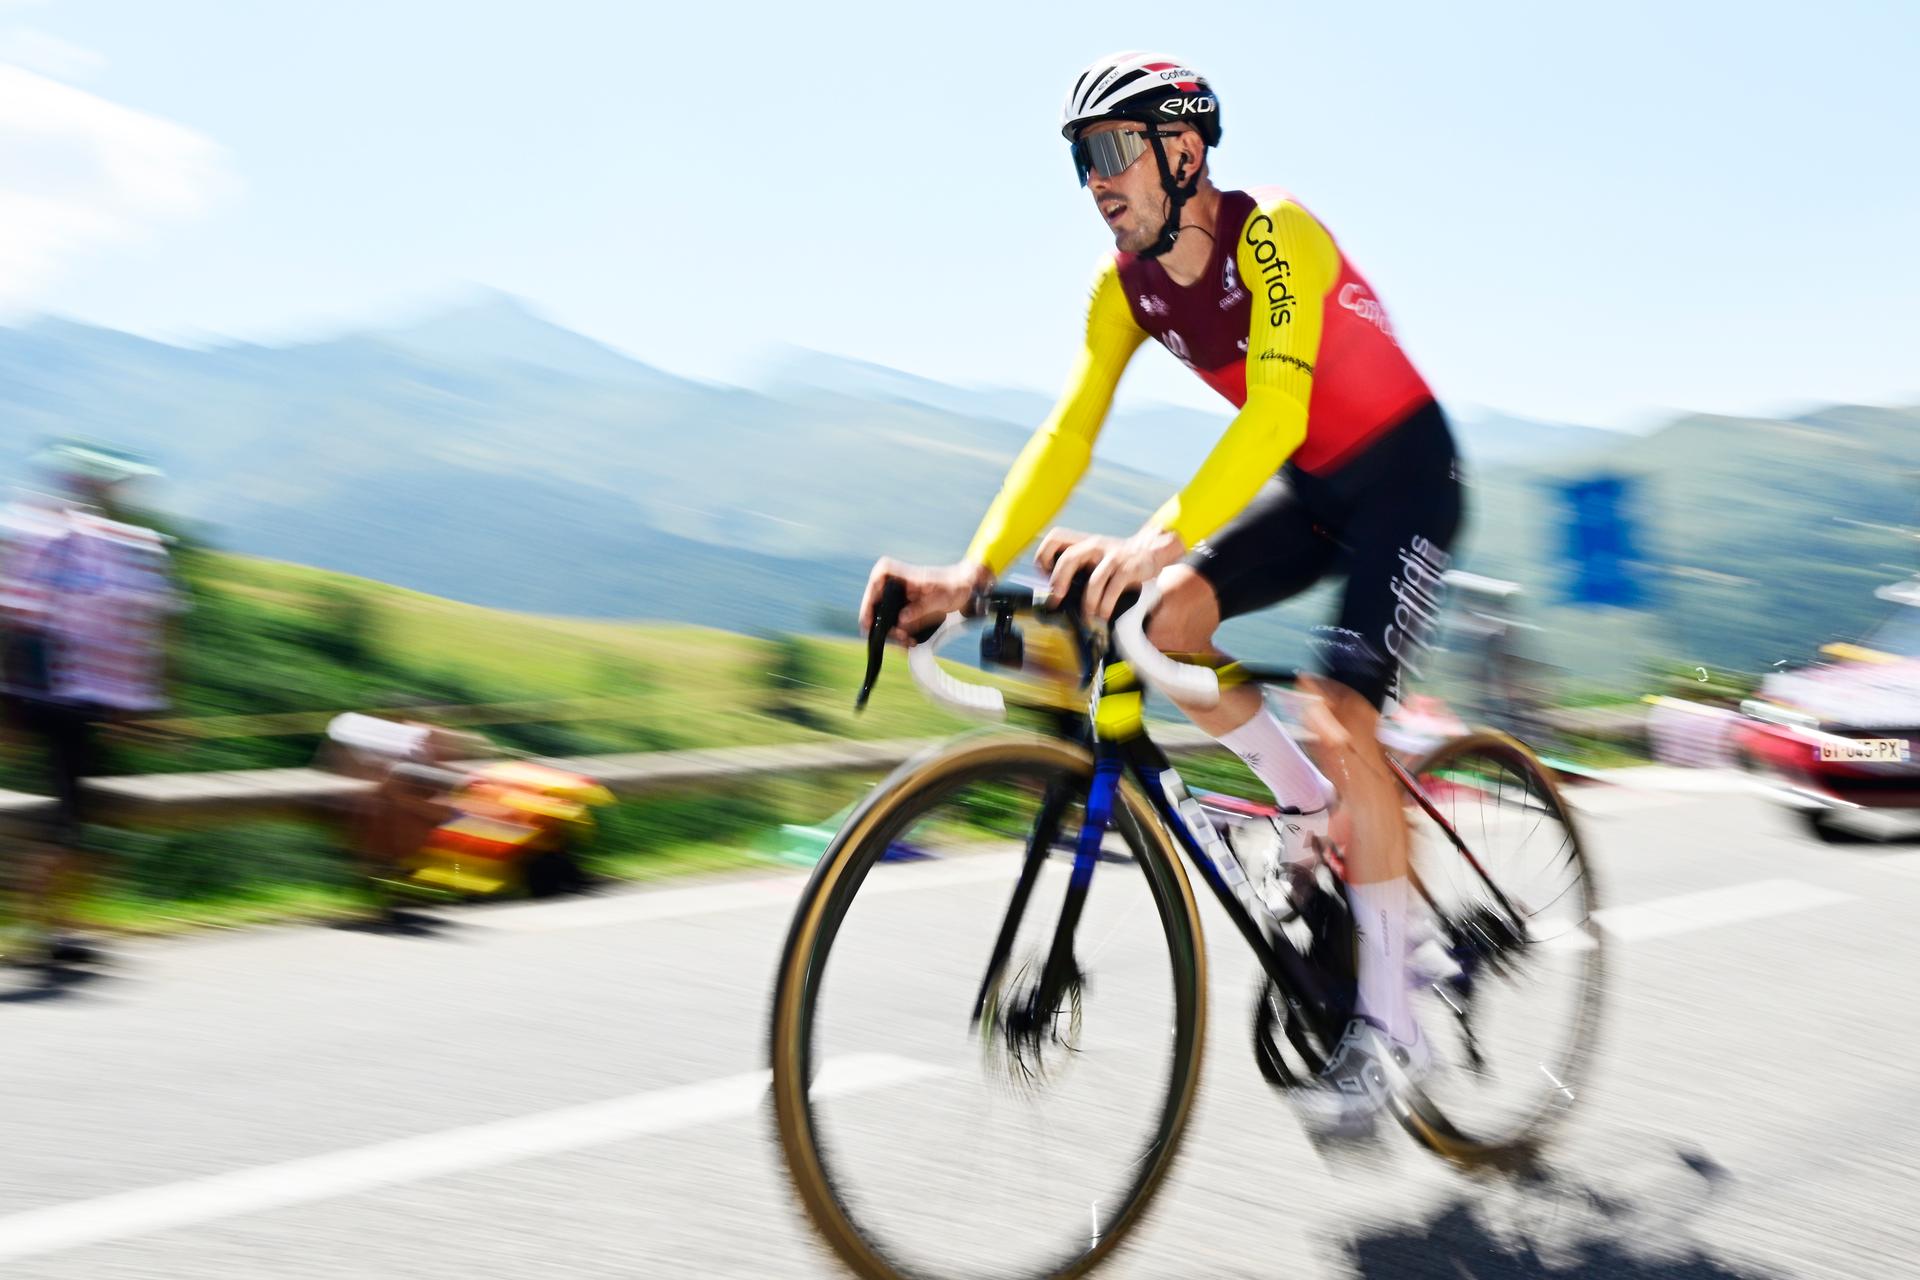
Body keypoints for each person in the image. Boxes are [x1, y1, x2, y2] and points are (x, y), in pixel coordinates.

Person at [858, 53, 1465, 1135]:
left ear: (1182, 151)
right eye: (1079, 160)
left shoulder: (1274, 234)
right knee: (1164, 622)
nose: (1094, 181)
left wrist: (1151, 537)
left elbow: (1276, 412)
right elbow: (1070, 430)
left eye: (1110, 152)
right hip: (1320, 494)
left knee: (1342, 715)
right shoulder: (1121, 286)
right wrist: (969, 573)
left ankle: (1393, 1023)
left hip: (1406, 475)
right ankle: (1312, 806)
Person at [0, 442, 179, 967]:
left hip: (31, 690)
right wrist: (142, 706)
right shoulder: (118, 547)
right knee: (69, 820)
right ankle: (51, 930)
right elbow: (142, 632)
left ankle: (53, 926)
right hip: (73, 699)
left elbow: (12, 616)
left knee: (66, 818)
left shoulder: (30, 528)